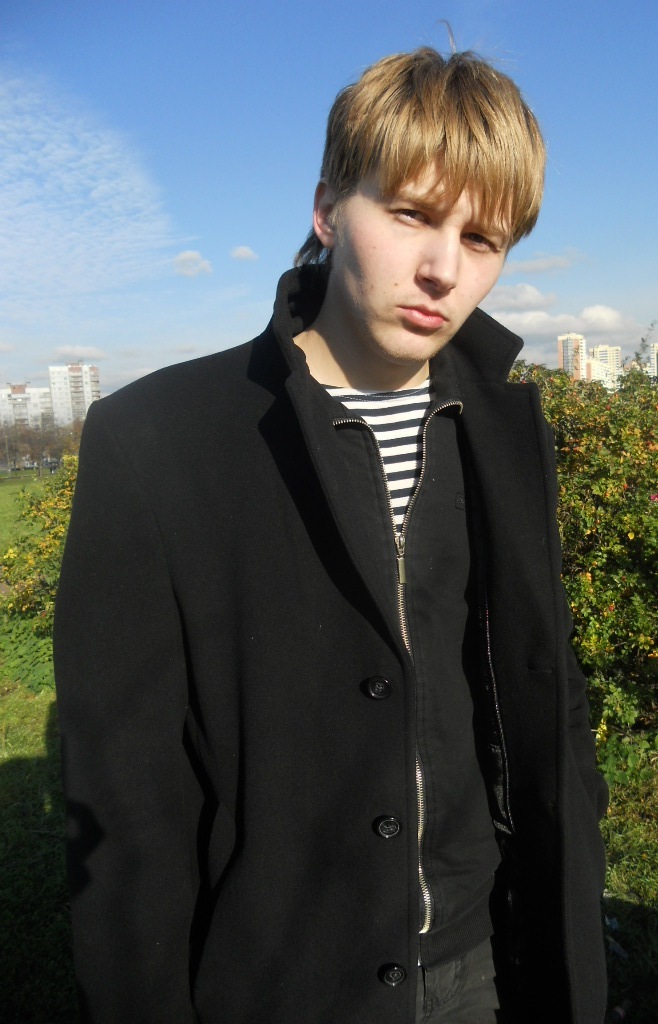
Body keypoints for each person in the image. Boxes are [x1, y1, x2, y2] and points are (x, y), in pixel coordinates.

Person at [54, 46, 608, 1024]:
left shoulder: (508, 431)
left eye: (483, 238)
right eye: (411, 214)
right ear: (326, 209)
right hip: (282, 980)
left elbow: (542, 687)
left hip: (483, 962)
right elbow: (124, 804)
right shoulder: (156, 441)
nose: (444, 268)